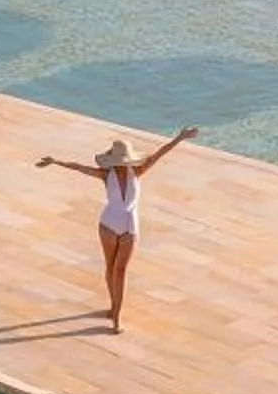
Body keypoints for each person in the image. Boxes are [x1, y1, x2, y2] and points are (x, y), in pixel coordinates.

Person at [36, 127, 200, 331]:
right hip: (108, 225)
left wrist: (181, 137)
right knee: (110, 267)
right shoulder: (106, 175)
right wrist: (55, 162)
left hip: (129, 227)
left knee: (120, 271)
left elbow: (161, 152)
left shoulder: (138, 171)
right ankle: (113, 307)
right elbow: (79, 168)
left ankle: (116, 318)